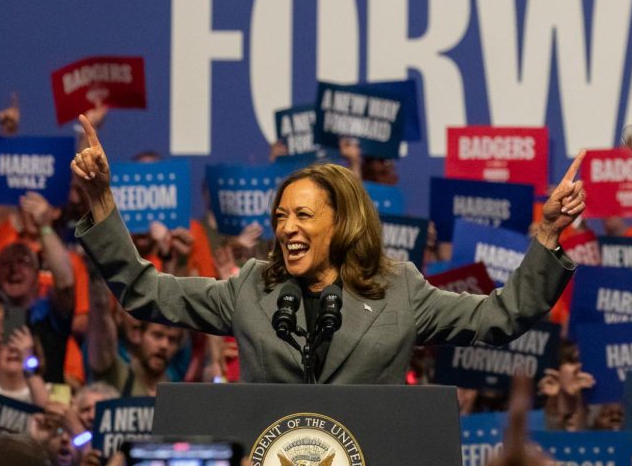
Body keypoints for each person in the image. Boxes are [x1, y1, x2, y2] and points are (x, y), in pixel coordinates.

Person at [71, 115, 585, 384]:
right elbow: (143, 292)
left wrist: (545, 238)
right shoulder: (252, 286)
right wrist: (101, 203)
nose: (286, 228)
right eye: (280, 216)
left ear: (341, 225)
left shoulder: (400, 290)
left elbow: (501, 315)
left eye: (302, 215)